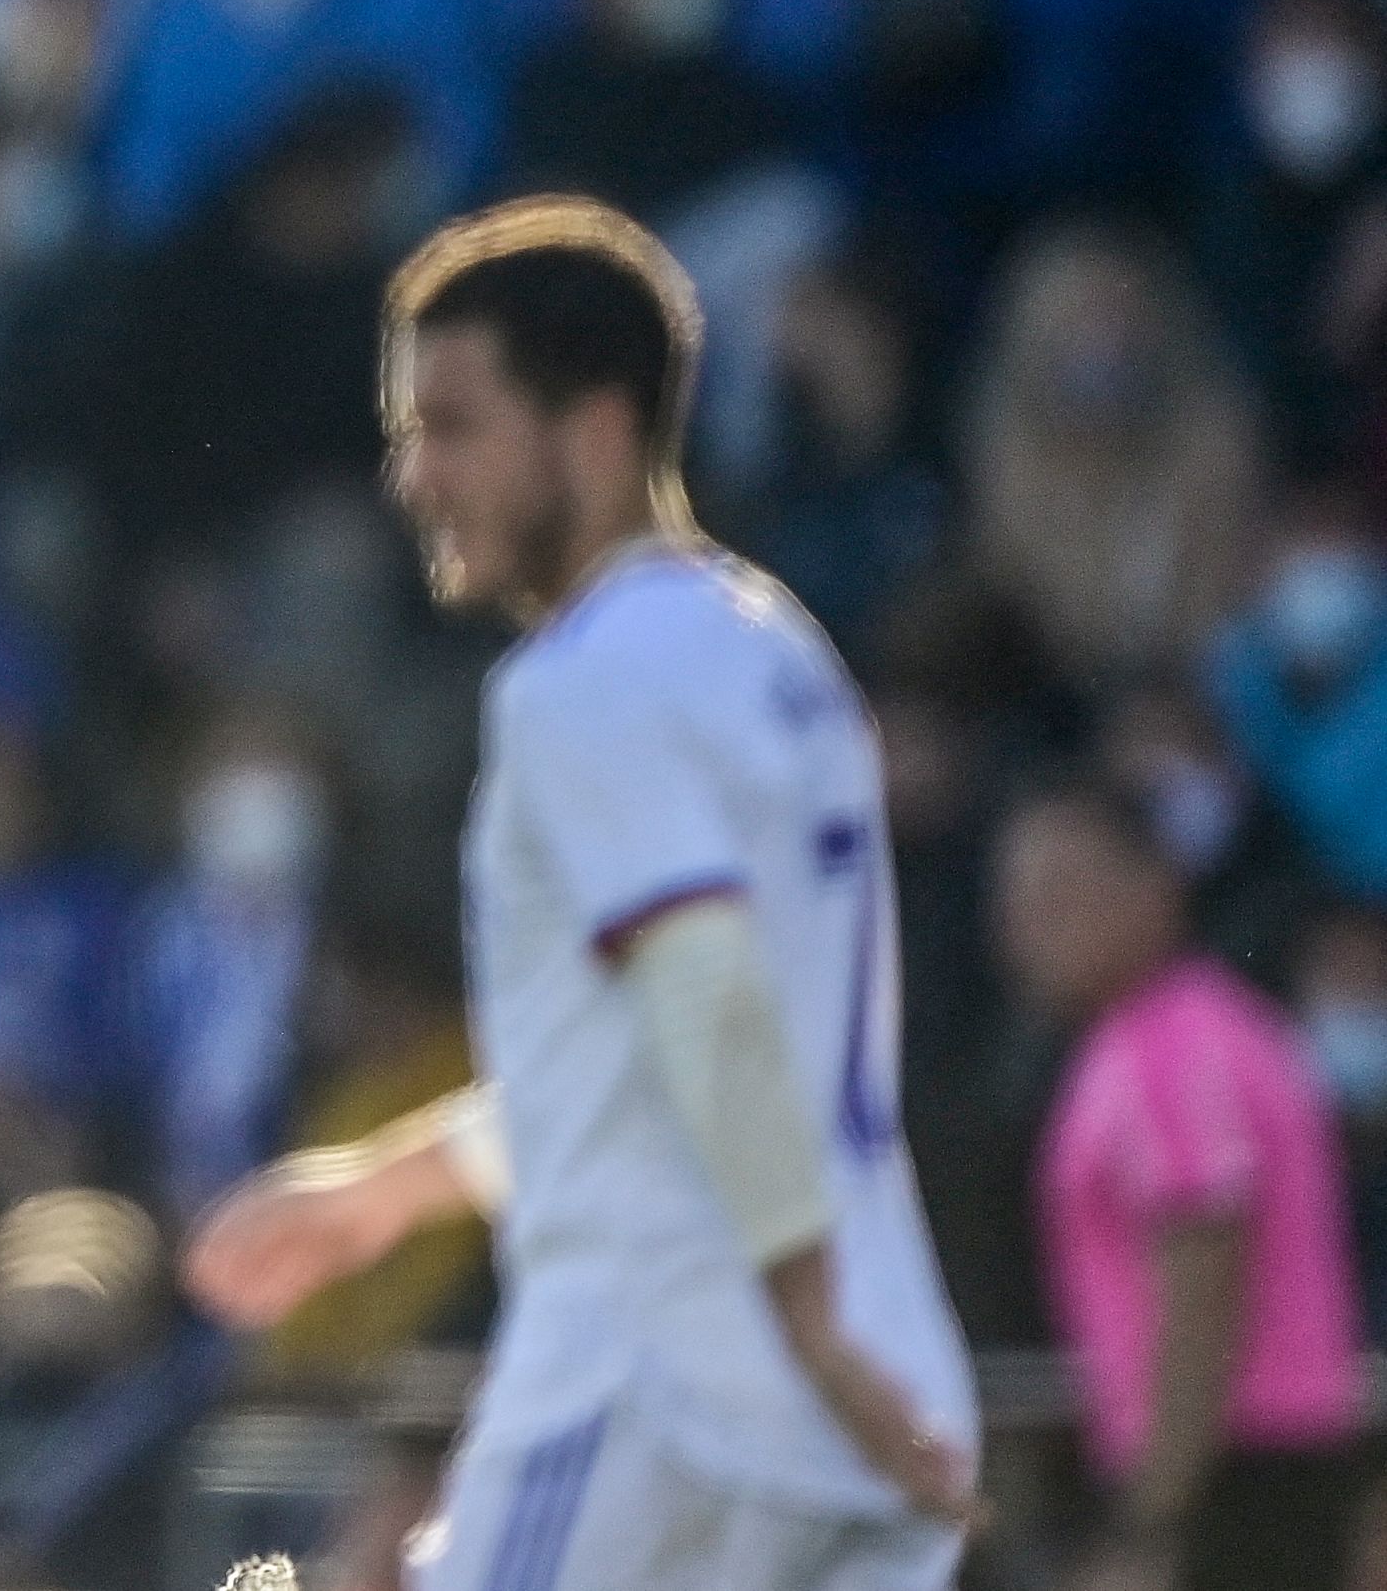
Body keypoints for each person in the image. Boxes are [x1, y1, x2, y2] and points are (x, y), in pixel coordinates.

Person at [180, 196, 979, 1590]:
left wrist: (803, 1332)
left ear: (594, 427)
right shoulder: (771, 651)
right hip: (855, 1391)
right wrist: (382, 1194)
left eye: (450, 424)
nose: (414, 476)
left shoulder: (582, 681)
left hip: (660, 1390)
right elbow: (647, 1064)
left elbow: (706, 994)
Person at [992, 779, 1367, 1591]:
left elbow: (1206, 1271)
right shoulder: (1188, 1028)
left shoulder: (1168, 1048)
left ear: (1154, 885)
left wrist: (1151, 1518)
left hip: (1239, 1467)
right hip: (1245, 1462)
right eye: (1017, 902)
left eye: (1062, 893)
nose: (1031, 929)